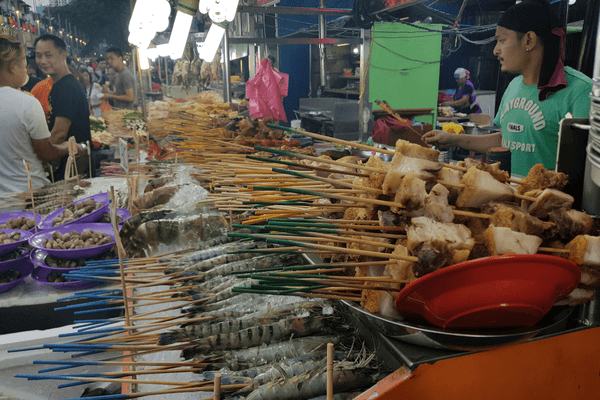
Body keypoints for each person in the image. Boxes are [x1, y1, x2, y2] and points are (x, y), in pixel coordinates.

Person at [424, 0, 592, 177]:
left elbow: (587, 170)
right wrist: (452, 139)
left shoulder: (581, 92)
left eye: (501, 41)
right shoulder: (514, 86)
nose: (495, 50)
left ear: (529, 40)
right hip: (510, 199)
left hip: (547, 202)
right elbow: (506, 139)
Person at [0, 34, 81, 195]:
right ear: (13, 66)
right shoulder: (26, 103)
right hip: (31, 194)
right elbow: (46, 153)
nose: (26, 69)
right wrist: (68, 147)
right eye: (24, 64)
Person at [35, 34, 92, 181]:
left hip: (72, 168)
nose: (43, 61)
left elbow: (59, 133)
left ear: (63, 55)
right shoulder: (60, 85)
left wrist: (40, 156)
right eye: (39, 56)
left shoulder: (67, 88)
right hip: (68, 165)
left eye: (48, 55)